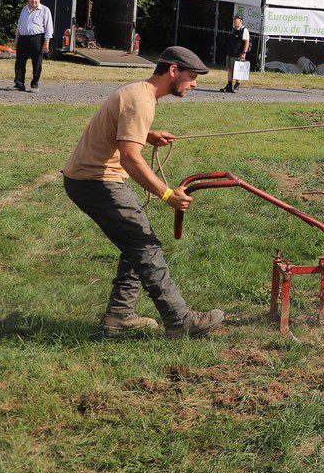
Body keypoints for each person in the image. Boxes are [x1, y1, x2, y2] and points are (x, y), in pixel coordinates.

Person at [63, 46, 224, 338]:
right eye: (192, 77)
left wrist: (146, 135)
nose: (195, 83)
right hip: (97, 182)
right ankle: (180, 320)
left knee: (135, 242)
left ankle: (120, 316)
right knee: (145, 245)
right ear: (173, 71)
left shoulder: (140, 93)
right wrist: (167, 195)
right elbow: (130, 159)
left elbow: (119, 128)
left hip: (88, 180)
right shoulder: (141, 101)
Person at [14, 0, 53, 92]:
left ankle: (34, 85)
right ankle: (19, 84)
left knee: (37, 63)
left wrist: (46, 42)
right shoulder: (24, 9)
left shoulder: (45, 10)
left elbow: (49, 27)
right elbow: (19, 25)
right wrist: (16, 39)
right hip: (23, 39)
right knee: (19, 62)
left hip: (37, 39)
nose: (33, 0)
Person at [219, 15, 250, 94]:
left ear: (240, 21)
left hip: (237, 54)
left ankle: (237, 83)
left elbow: (247, 42)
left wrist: (244, 53)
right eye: (234, 20)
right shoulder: (234, 29)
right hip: (230, 53)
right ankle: (229, 85)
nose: (234, 21)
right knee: (229, 69)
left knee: (237, 70)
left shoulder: (244, 30)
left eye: (236, 20)